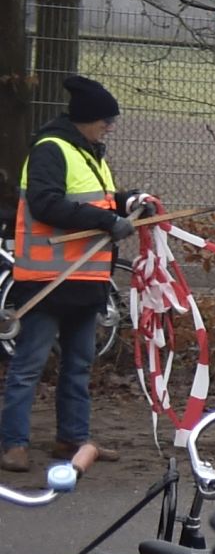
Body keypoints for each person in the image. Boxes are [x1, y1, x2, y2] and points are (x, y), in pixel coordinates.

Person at [4, 75, 131, 470]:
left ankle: (72, 440)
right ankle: (13, 445)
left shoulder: (90, 153)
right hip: (48, 282)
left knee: (79, 366)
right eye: (106, 120)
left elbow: (100, 203)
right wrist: (107, 221)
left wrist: (129, 203)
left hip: (85, 280)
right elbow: (46, 204)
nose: (109, 127)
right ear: (87, 118)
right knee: (29, 367)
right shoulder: (51, 149)